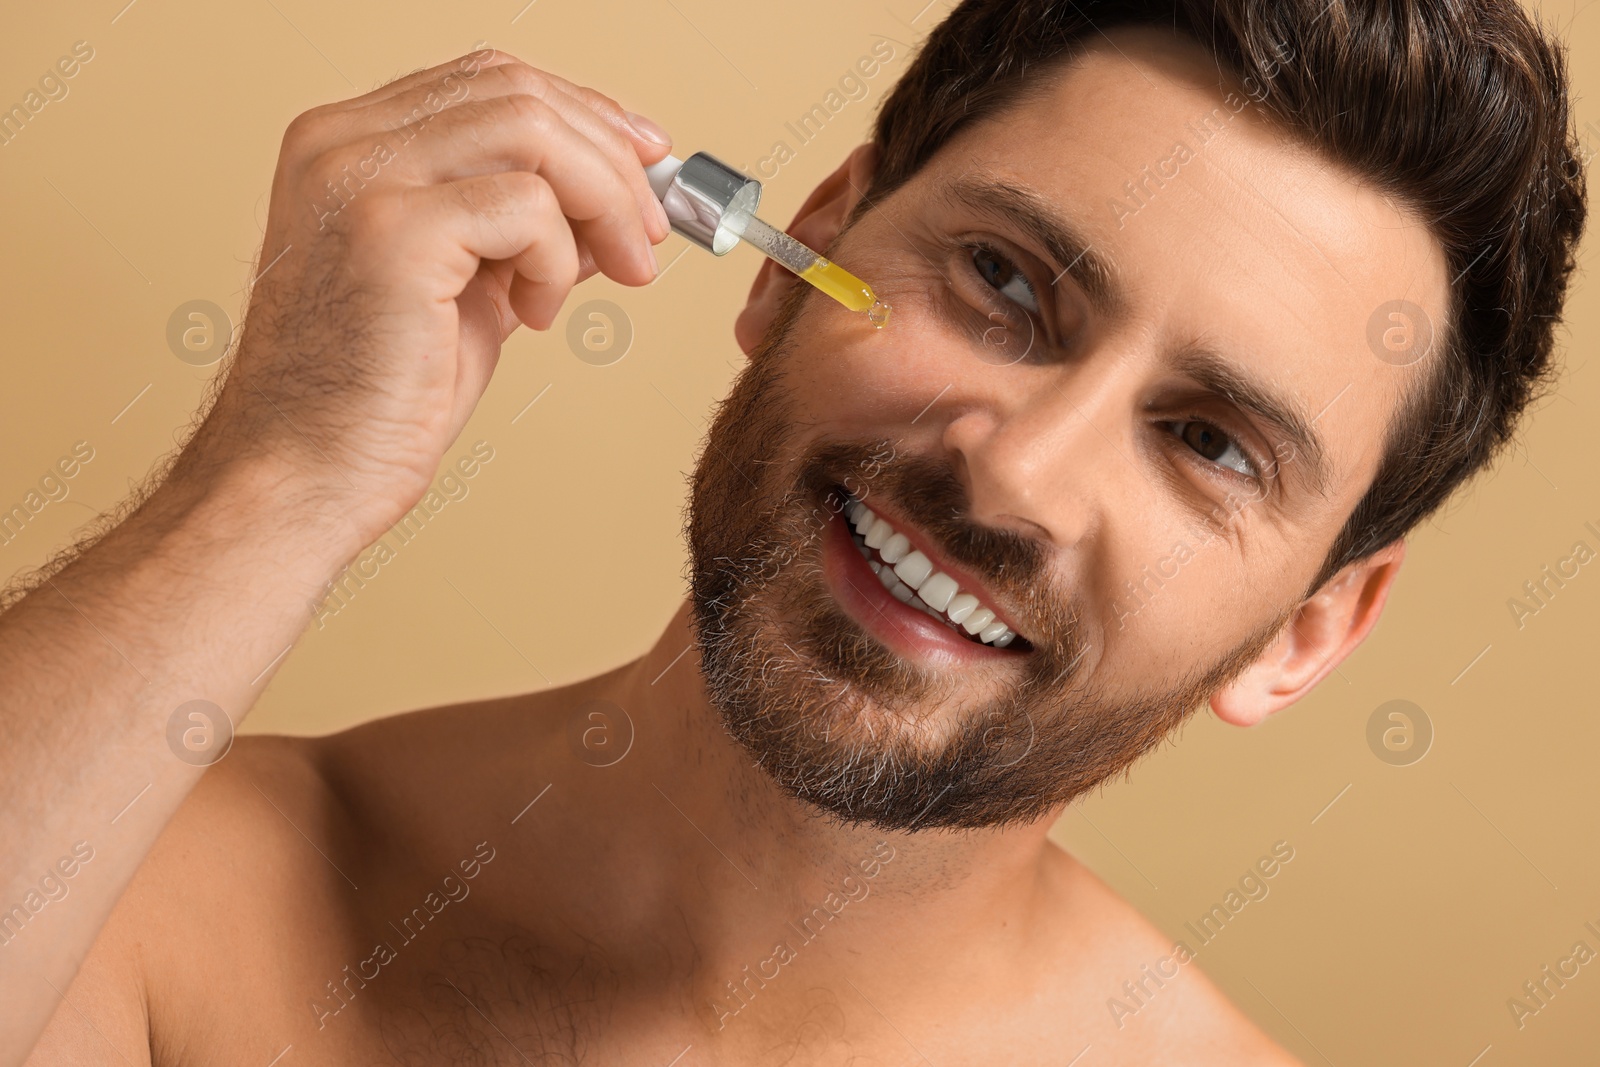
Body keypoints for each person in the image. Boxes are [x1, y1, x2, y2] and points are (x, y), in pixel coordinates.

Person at [3, 0, 1586, 1062]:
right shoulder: (153, 897)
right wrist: (275, 479)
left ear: (1309, 632)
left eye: (1207, 444)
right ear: (799, 245)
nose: (1017, 477)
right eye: (1007, 285)